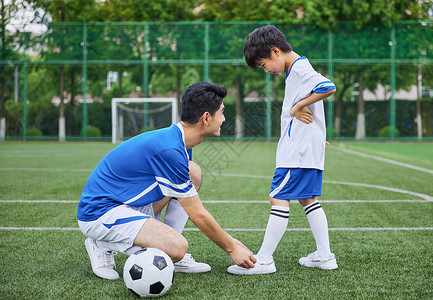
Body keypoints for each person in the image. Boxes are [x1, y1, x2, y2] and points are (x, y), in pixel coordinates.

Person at [78, 81, 256, 280]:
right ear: (206, 117)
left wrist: (230, 241)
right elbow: (197, 213)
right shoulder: (170, 150)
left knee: (192, 172)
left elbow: (186, 198)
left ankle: (171, 254)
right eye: (222, 112)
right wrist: (232, 248)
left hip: (127, 205)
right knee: (177, 246)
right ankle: (100, 244)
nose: (223, 119)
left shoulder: (180, 142)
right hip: (99, 213)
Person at [227, 25, 337, 275]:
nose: (267, 71)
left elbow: (328, 86)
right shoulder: (298, 68)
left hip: (296, 151)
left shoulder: (298, 68)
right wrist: (317, 133)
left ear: (276, 51)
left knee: (278, 197)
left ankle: (264, 260)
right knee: (307, 198)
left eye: (265, 65)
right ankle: (324, 255)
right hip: (305, 147)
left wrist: (297, 107)